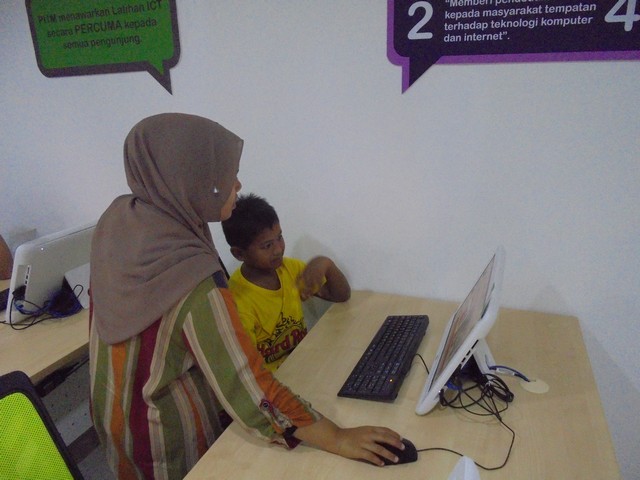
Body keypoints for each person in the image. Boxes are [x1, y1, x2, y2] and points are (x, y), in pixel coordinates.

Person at [89, 113, 405, 479]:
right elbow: (246, 384)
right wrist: (337, 437)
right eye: (225, 175)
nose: (236, 184)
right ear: (190, 178)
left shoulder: (119, 222)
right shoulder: (191, 276)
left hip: (116, 412)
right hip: (166, 434)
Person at [221, 193, 350, 371]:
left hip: (305, 363)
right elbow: (247, 369)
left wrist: (326, 264)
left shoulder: (290, 268)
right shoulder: (237, 302)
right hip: (274, 380)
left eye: (279, 237)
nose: (278, 249)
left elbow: (341, 295)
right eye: (267, 246)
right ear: (239, 254)